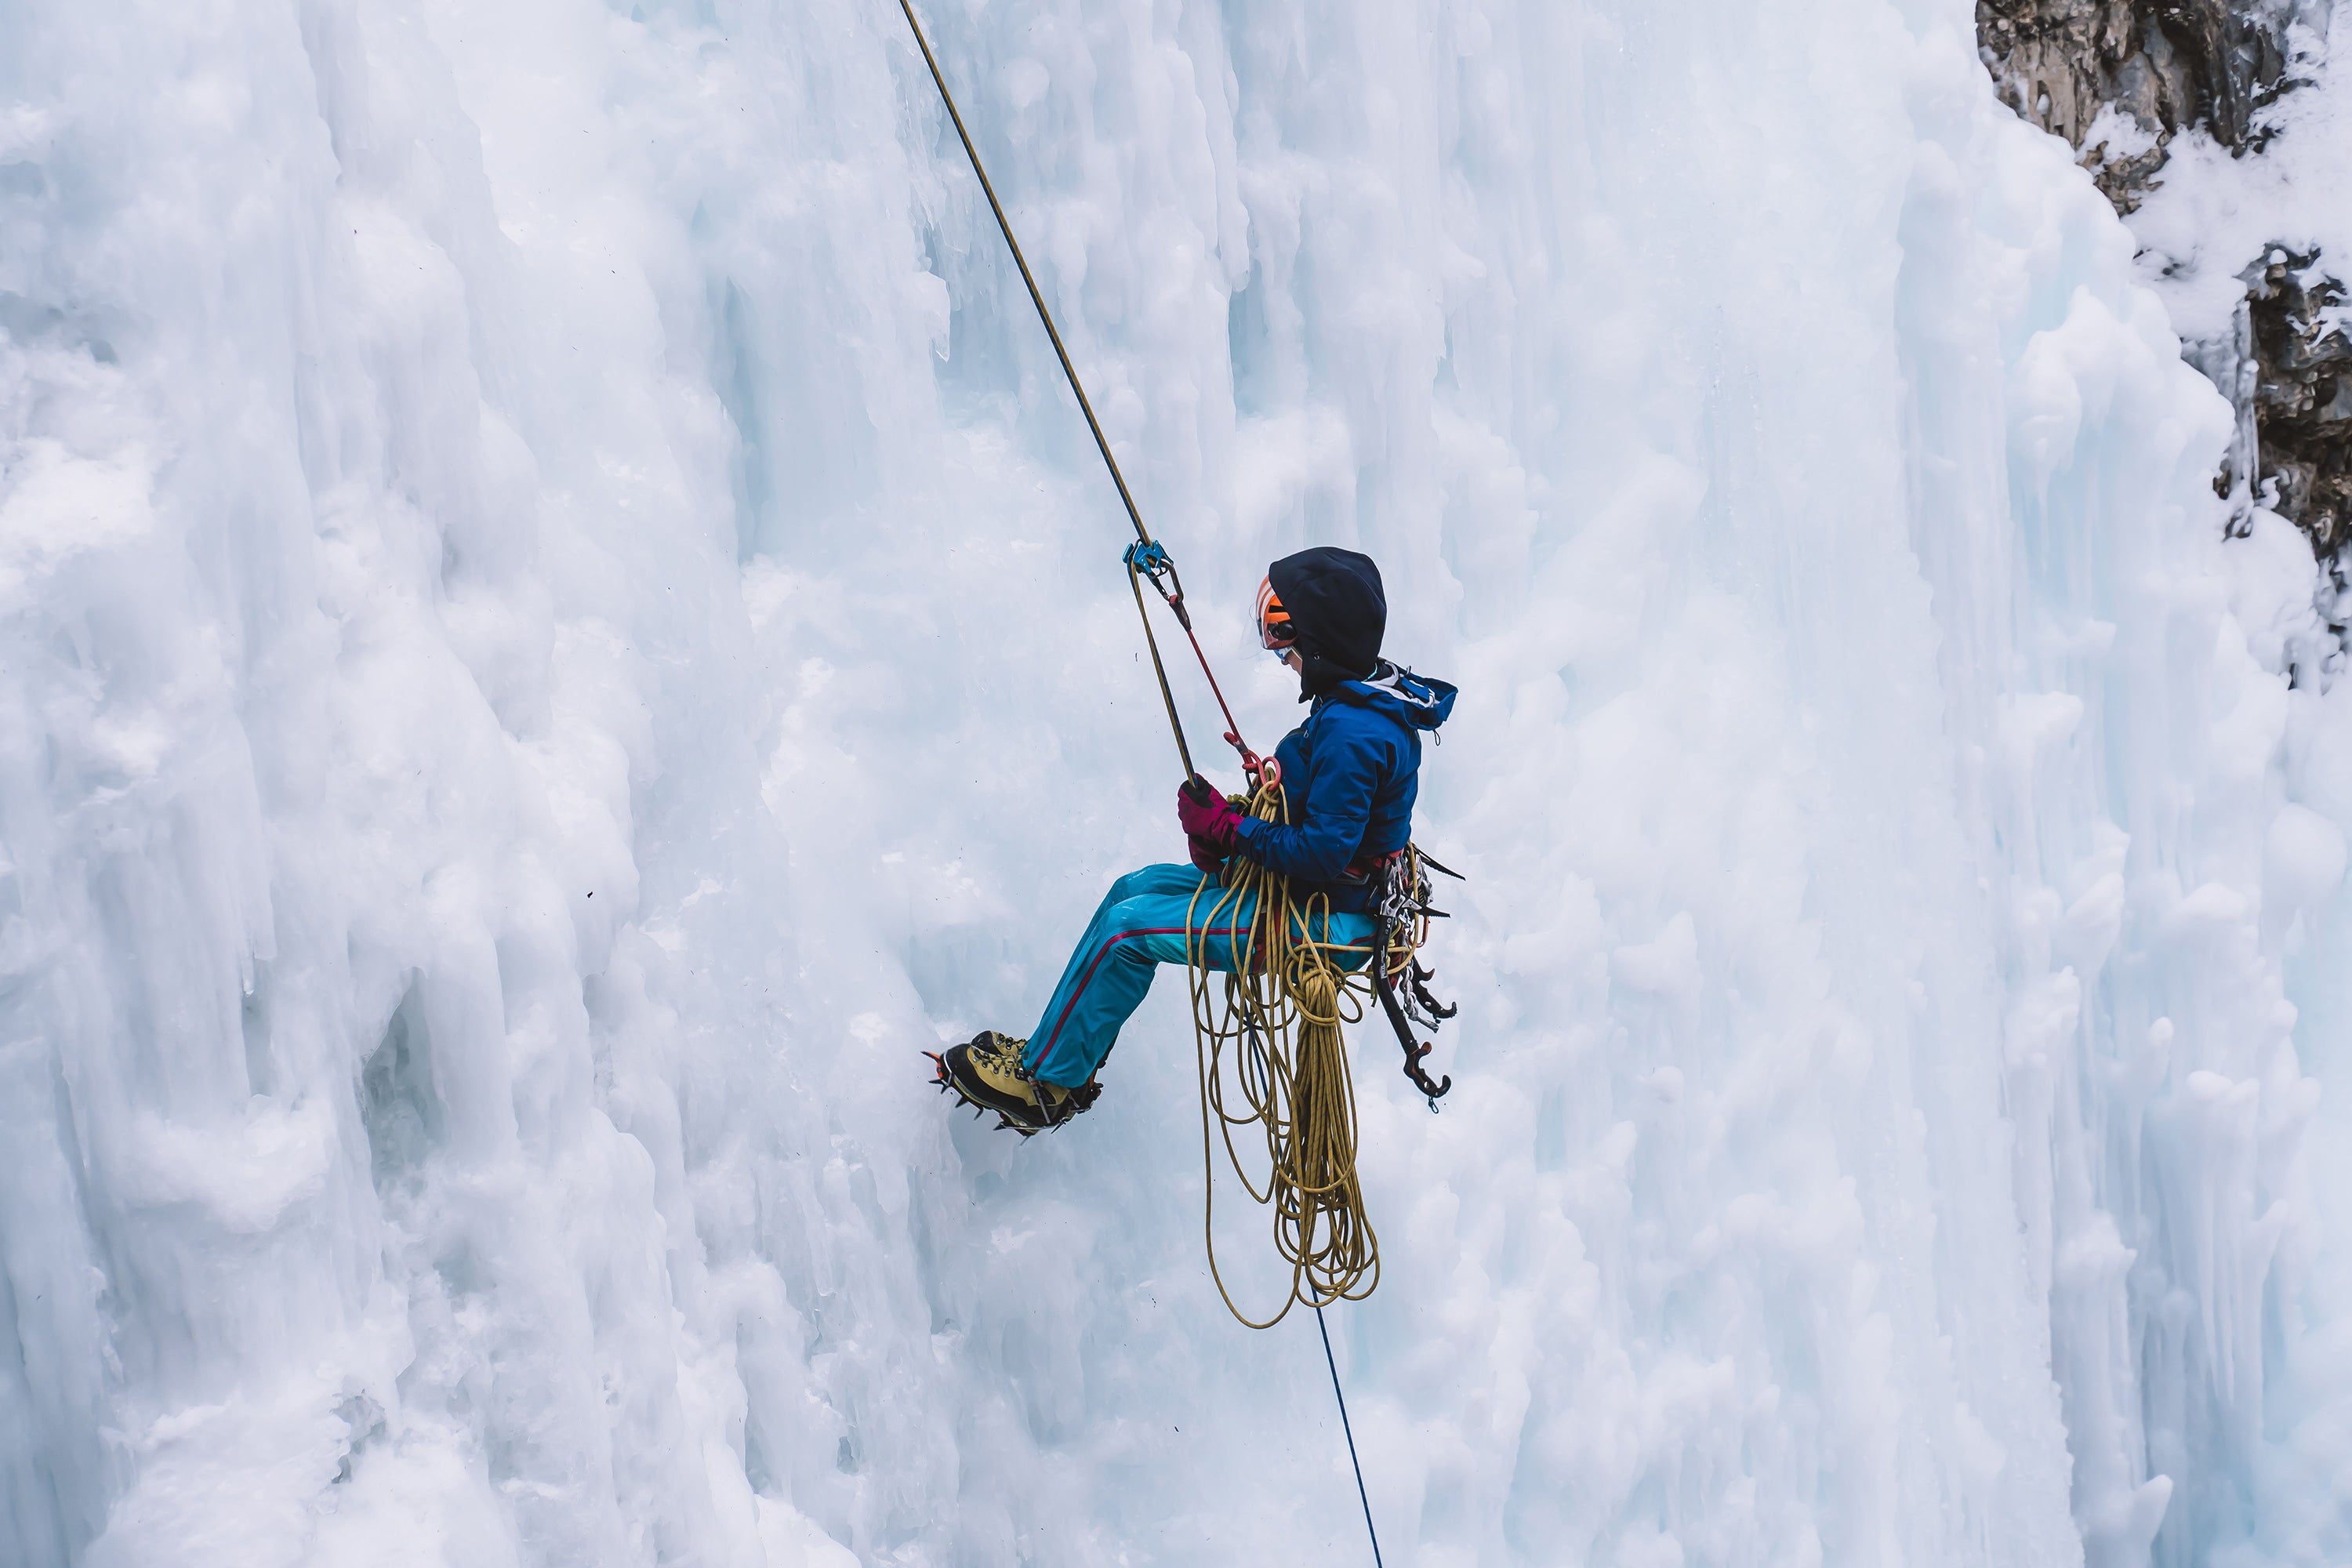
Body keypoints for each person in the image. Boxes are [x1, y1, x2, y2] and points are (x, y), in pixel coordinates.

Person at [934, 546, 1457, 1133]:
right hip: (1324, 897)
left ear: (1321, 647)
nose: (1282, 655)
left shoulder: (1352, 731)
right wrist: (1251, 812)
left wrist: (1231, 830)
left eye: (1287, 641)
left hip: (1330, 922)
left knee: (1127, 932)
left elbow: (1322, 853)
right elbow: (1331, 817)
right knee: (1133, 889)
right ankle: (1064, 1053)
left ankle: (1046, 1085)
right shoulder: (1365, 699)